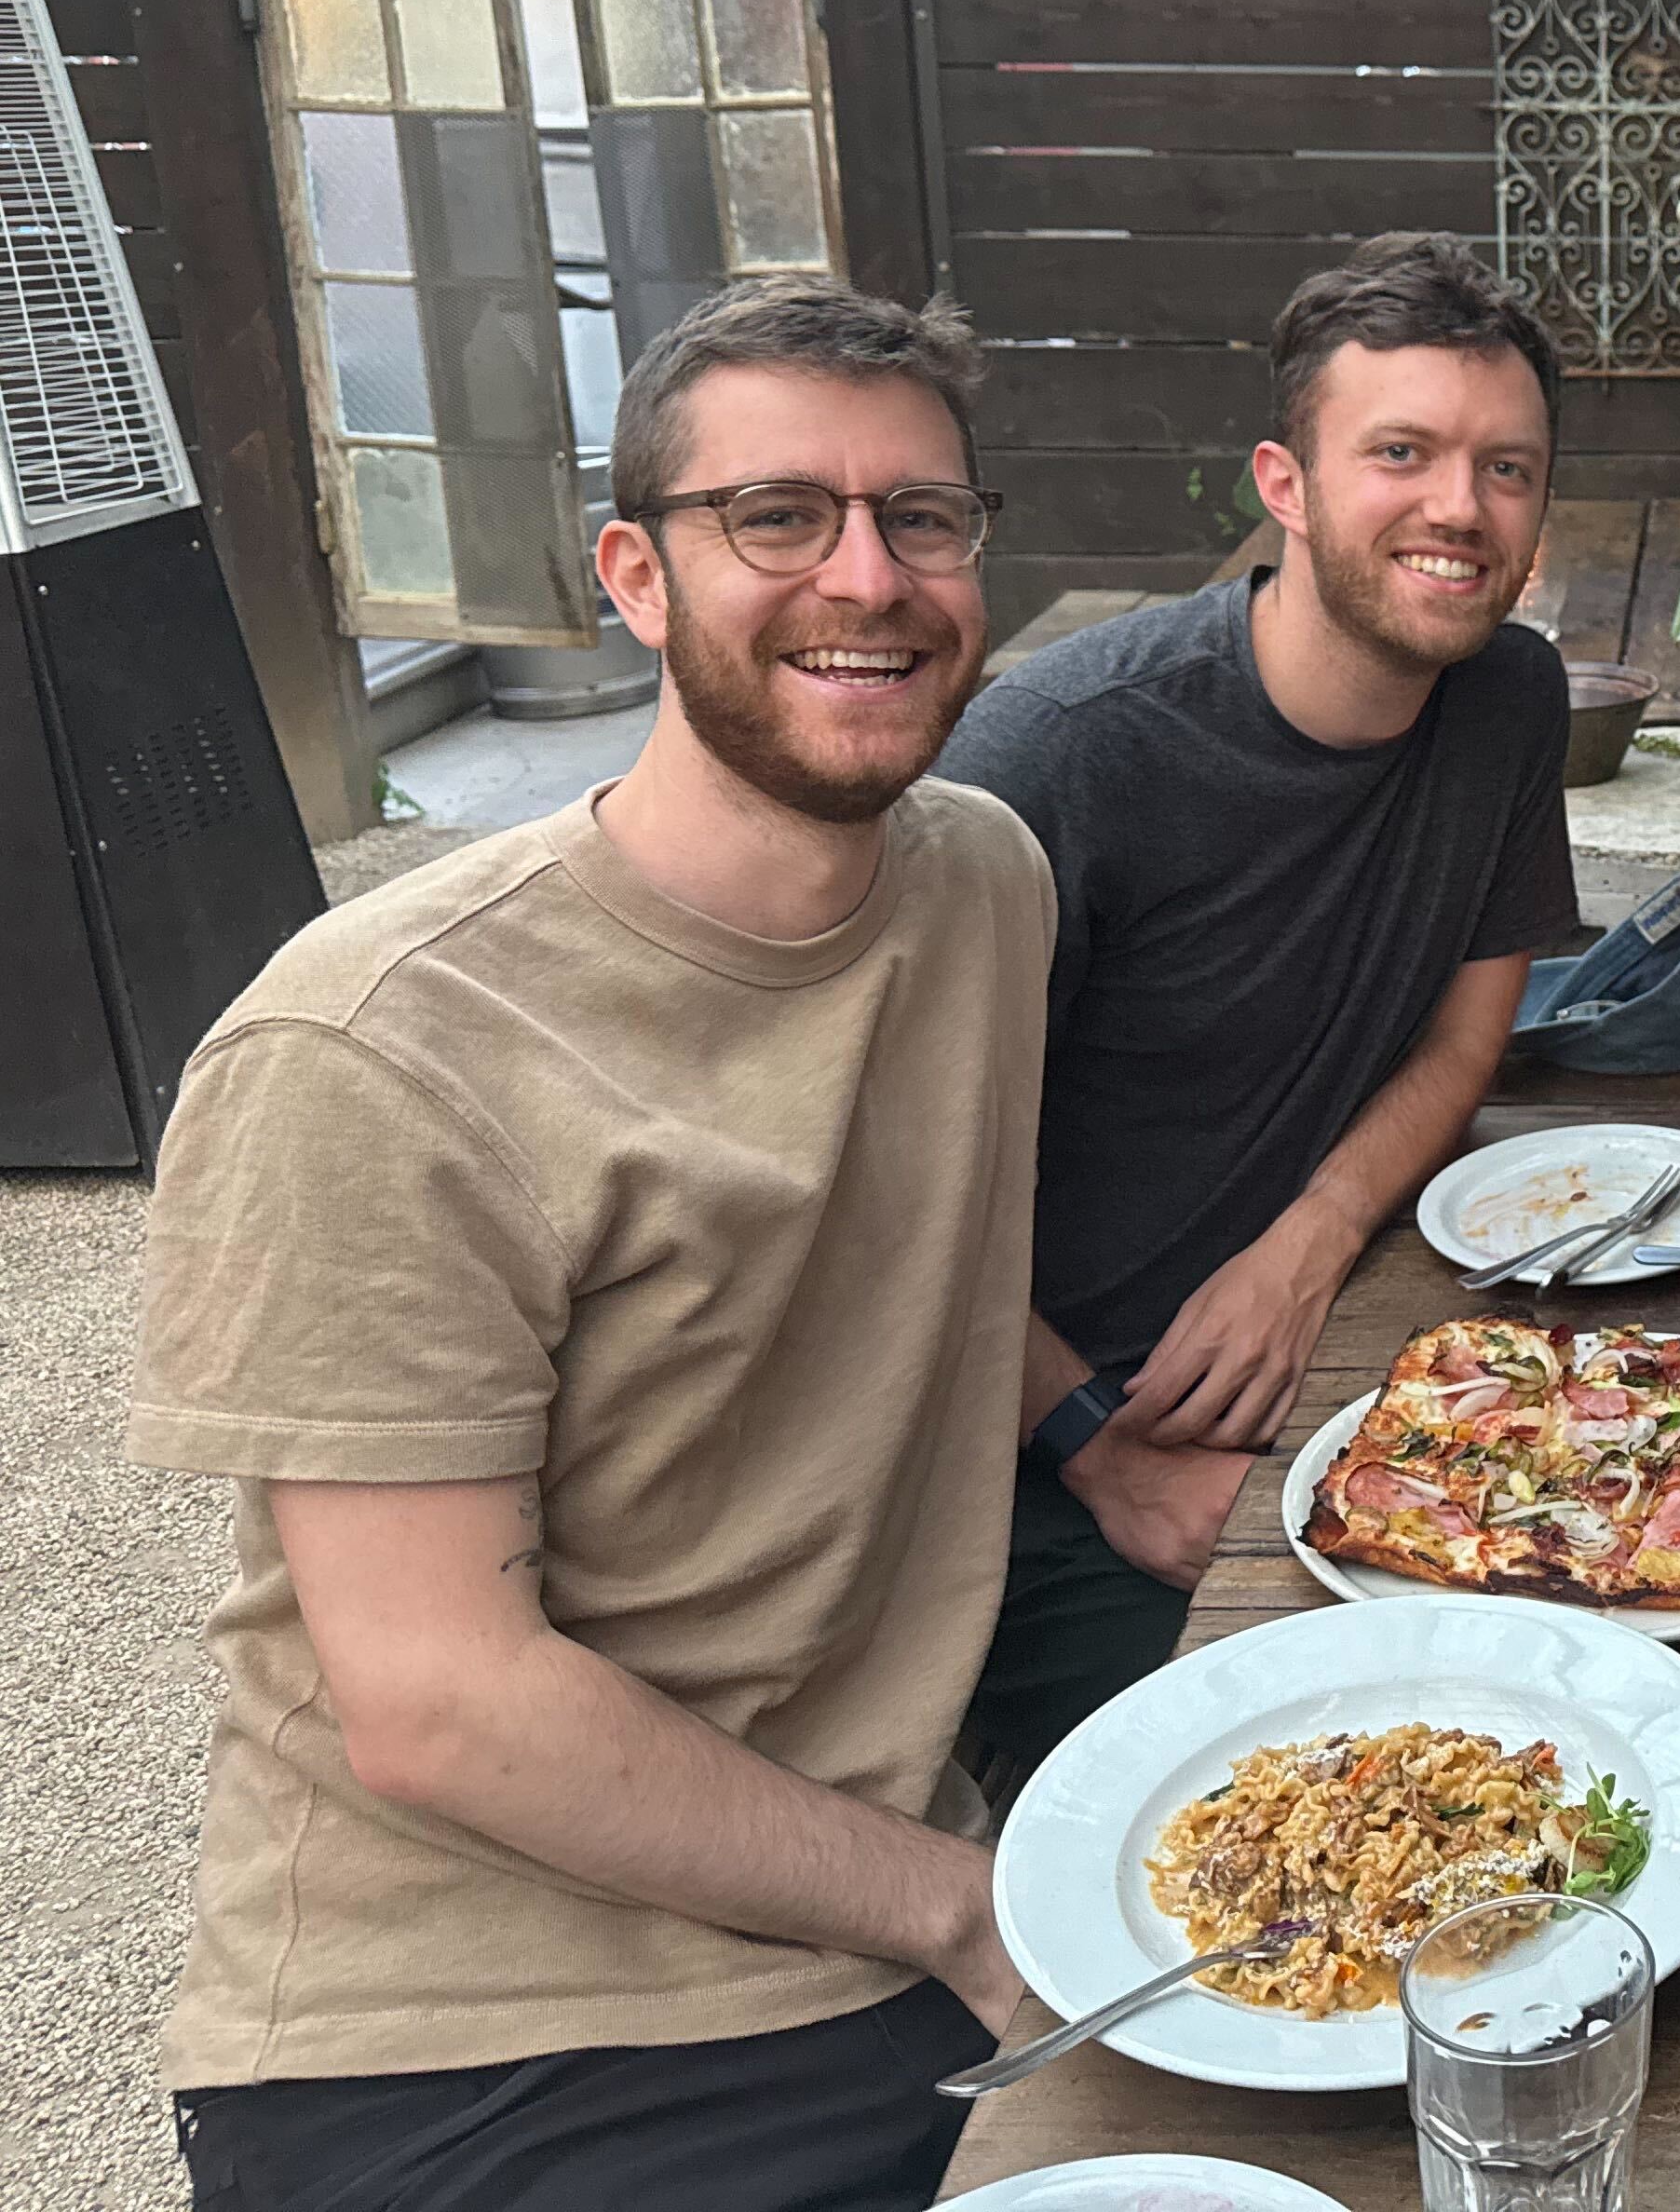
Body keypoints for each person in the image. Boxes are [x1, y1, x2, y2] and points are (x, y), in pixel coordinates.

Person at [136, 278, 1053, 2210]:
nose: (867, 577)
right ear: (637, 574)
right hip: (473, 2021)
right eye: (777, 516)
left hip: (876, 1912)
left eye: (922, 517)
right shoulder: (372, 1046)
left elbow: (897, 1272)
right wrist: (964, 1907)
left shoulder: (983, 885)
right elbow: (437, 1703)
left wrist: (1102, 1435)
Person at [942, 231, 1578, 1780]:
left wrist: (1307, 1241)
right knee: (1290, 1818)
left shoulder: (1509, 696)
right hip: (1027, 1431)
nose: (1459, 507)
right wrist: (1095, 1445)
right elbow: (891, 1188)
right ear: (1283, 484)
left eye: (1504, 467)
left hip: (1342, 1359)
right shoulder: (1063, 755)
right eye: (1401, 453)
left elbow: (1465, 1043)